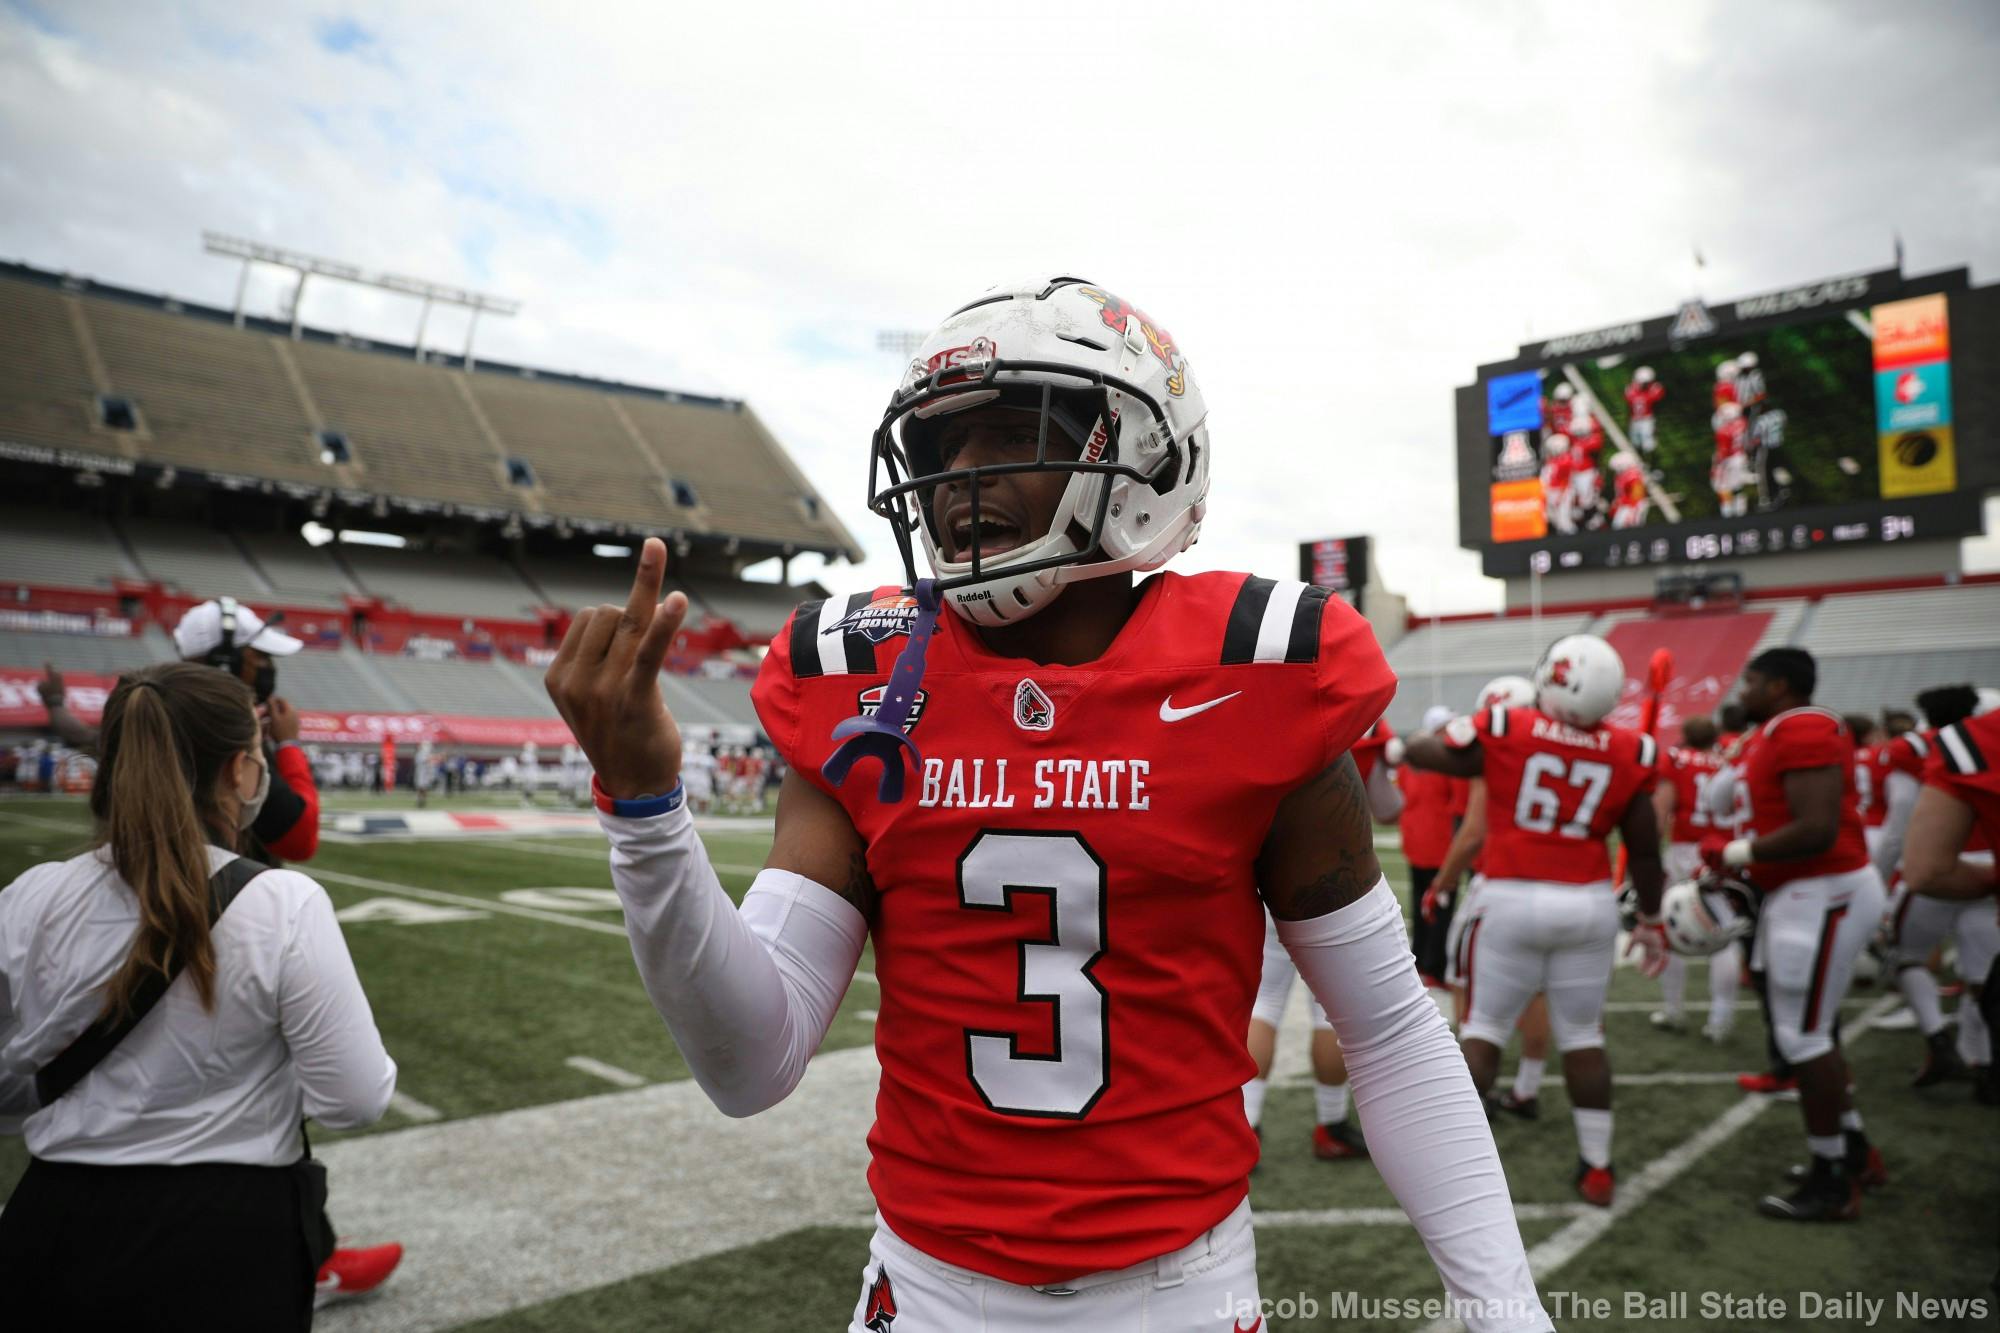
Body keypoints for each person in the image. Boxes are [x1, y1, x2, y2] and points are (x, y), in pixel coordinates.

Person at [548, 277, 1550, 1331]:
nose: (957, 480)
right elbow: (750, 1064)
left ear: (1140, 460)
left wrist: (1502, 1305)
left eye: (1008, 436)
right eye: (939, 452)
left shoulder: (1254, 672)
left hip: (1176, 1295)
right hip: (922, 1290)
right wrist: (646, 810)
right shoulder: (866, 686)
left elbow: (1387, 1029)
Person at [0, 662, 395, 1329]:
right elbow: (356, 1099)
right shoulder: (285, 901)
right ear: (241, 771)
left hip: (51, 1219)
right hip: (229, 1238)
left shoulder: (29, 895)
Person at [1405, 637, 1667, 1208]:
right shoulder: (1632, 750)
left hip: (1510, 895)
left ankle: (1453, 1170)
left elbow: (1427, 753)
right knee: (1584, 1038)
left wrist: (1458, 733)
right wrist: (1649, 919)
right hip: (1589, 904)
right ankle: (1597, 1166)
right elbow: (1646, 852)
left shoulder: (1509, 725)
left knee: (1484, 1031)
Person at [1707, 648, 1887, 1220]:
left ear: (1781, 686)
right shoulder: (1778, 729)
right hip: (1806, 893)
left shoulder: (1802, 726)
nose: (1742, 689)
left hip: (1824, 890)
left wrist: (1735, 852)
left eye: (1752, 679)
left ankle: (1832, 1177)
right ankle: (1852, 1151)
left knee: (1806, 1038)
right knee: (1808, 1034)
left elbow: (1816, 828)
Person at [1243, 717, 1402, 1163]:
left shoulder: (1262, 706)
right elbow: (1389, 809)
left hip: (1266, 875)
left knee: (1263, 1005)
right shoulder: (1359, 718)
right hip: (1336, 885)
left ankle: (1247, 1126)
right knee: (1327, 1013)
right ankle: (1330, 1126)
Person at [1876, 686, 1997, 1086]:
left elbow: (1900, 825)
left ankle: (1939, 1042)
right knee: (1981, 975)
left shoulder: (1921, 749)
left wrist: (1880, 878)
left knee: (1905, 955)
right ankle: (1980, 1060)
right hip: (1989, 867)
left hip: (1939, 870)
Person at [1651, 716, 1740, 1040]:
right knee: (1724, 935)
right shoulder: (1729, 760)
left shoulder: (1676, 760)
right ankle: (1721, 1019)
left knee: (1672, 929)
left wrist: (1647, 853)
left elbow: (1661, 811)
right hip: (1723, 850)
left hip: (1684, 851)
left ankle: (1674, 1009)